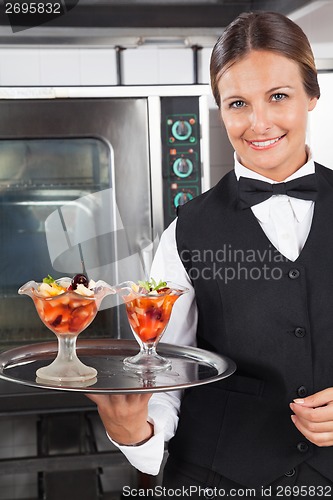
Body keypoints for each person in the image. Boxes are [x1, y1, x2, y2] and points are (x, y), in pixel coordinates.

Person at [87, 11, 333, 498]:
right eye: (237, 103)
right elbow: (165, 372)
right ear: (220, 109)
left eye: (278, 96)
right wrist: (133, 432)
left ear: (312, 95)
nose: (257, 122)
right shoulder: (186, 230)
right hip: (217, 480)